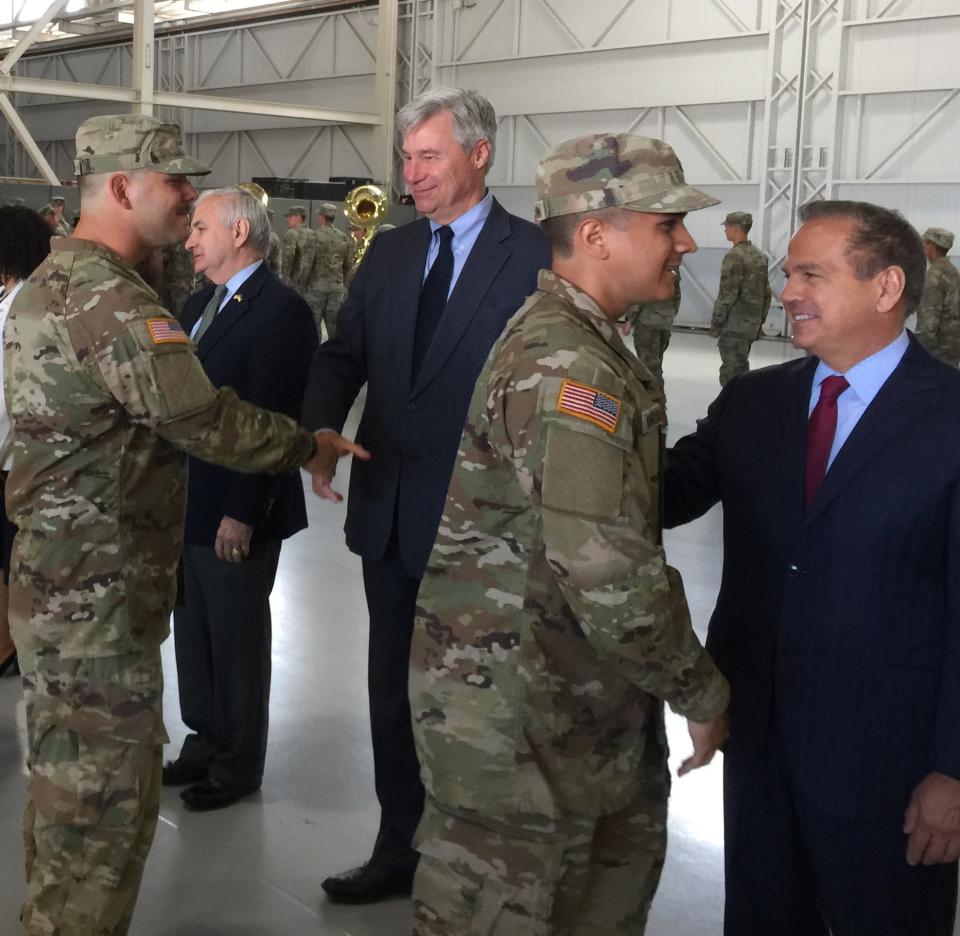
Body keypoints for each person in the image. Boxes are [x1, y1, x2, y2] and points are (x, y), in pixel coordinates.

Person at [4, 113, 363, 936]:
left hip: (58, 580)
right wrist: (310, 443)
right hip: (99, 595)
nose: (188, 195)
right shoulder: (112, 300)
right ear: (124, 188)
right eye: (175, 181)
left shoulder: (49, 282)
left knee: (64, 793)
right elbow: (201, 418)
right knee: (102, 811)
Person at [409, 132, 729, 935]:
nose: (684, 241)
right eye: (666, 223)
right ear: (595, 234)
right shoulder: (571, 367)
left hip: (560, 703)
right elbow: (607, 573)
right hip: (520, 724)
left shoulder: (586, 339)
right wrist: (701, 690)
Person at [665, 199, 960, 935]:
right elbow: (653, 498)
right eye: (786, 273)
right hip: (759, 740)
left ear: (887, 288)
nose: (786, 292)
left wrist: (953, 773)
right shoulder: (754, 402)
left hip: (889, 765)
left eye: (810, 275)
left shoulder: (952, 417)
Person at [304, 86, 550, 905]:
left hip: (491, 528)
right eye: (407, 159)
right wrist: (318, 431)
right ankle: (398, 845)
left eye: (430, 156)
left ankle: (481, 862)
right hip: (391, 513)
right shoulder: (393, 252)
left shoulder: (537, 256)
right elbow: (345, 353)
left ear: (480, 154)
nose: (413, 175)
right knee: (390, 693)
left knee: (483, 703)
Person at [162, 187, 319, 811]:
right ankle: (204, 738)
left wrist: (242, 511)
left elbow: (274, 419)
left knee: (236, 638)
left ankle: (237, 763)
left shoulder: (282, 309)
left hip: (236, 505)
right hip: (190, 499)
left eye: (199, 228)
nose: (189, 239)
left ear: (237, 231)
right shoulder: (200, 302)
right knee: (194, 631)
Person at [0, 206, 51, 680]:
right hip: (15, 457)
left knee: (11, 560)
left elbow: (6, 397)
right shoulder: (15, 299)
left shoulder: (19, 308)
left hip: (11, 461)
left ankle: (10, 645)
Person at [710, 210, 771, 385]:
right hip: (750, 325)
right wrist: (759, 321)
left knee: (731, 374)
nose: (725, 231)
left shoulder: (734, 256)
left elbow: (727, 294)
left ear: (735, 228)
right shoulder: (760, 256)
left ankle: (731, 410)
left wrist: (716, 322)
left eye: (727, 227)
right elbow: (766, 293)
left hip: (734, 326)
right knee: (741, 368)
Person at [625, 269, 681, 391]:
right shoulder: (673, 265)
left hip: (648, 323)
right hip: (664, 322)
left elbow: (640, 294)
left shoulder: (650, 262)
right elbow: (676, 295)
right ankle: (658, 397)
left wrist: (630, 319)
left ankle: (653, 398)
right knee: (656, 364)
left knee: (648, 367)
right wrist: (669, 315)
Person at [916, 227, 960, 366]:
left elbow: (928, 322)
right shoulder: (953, 272)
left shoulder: (934, 276)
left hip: (937, 352)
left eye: (924, 243)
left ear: (931, 245)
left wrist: (919, 353)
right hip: (953, 347)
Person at [307, 203, 352, 340]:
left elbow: (307, 264)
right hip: (336, 288)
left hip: (316, 289)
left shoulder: (314, 236)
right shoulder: (343, 237)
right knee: (335, 329)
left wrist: (302, 285)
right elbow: (348, 265)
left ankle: (315, 358)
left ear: (321, 217)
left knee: (314, 328)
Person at [279, 204, 317, 300]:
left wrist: (284, 280)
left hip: (293, 283)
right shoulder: (313, 234)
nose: (288, 220)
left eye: (290, 217)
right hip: (309, 285)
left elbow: (288, 258)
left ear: (298, 217)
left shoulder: (291, 233)